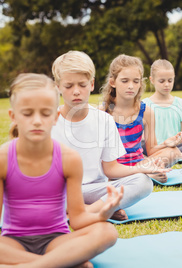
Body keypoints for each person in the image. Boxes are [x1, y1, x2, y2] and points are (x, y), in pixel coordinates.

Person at [0, 73, 122, 267]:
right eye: (28, 113)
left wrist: (101, 215)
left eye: (45, 113)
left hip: (57, 241)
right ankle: (63, 263)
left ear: (56, 117)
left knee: (107, 232)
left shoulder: (69, 159)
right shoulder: (3, 159)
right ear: (13, 117)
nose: (37, 121)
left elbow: (78, 219)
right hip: (13, 242)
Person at [51, 51, 170, 221]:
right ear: (58, 87)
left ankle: (87, 211)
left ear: (92, 84)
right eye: (69, 86)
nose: (76, 91)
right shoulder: (48, 123)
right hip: (60, 192)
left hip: (94, 189)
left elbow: (111, 169)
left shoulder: (105, 119)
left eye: (82, 85)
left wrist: (142, 168)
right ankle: (103, 209)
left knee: (143, 182)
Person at [100, 54, 181, 182]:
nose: (131, 86)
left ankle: (142, 173)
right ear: (112, 82)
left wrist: (166, 144)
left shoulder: (146, 112)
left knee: (174, 152)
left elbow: (151, 150)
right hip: (113, 168)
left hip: (139, 164)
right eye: (125, 81)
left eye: (136, 81)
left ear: (140, 84)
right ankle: (144, 175)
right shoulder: (102, 112)